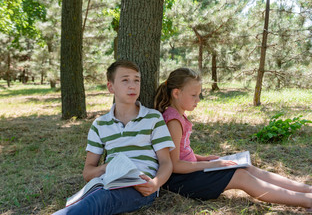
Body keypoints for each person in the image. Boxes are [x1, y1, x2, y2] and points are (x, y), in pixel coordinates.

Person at [154, 67, 312, 210]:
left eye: (199, 94)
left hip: (190, 172)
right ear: (176, 93)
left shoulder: (179, 115)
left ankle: (306, 190)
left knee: (244, 167)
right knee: (240, 176)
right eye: (194, 95)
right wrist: (211, 164)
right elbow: (174, 165)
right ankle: (306, 201)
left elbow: (182, 151)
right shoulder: (173, 121)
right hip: (181, 181)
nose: (198, 100)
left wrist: (204, 158)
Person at [53, 60, 175, 215]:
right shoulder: (100, 124)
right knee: (97, 197)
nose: (132, 86)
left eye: (136, 80)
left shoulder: (153, 118)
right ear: (111, 87)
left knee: (101, 199)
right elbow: (88, 173)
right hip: (110, 182)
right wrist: (110, 167)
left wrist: (155, 184)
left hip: (143, 187)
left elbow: (166, 162)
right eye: (125, 80)